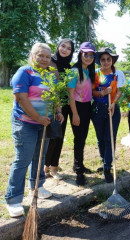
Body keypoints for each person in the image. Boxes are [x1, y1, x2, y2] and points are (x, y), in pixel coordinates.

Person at [5, 43, 64, 217]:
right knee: (23, 159)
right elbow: (21, 99)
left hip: (44, 123)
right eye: (41, 55)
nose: (45, 59)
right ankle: (13, 199)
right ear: (32, 55)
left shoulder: (50, 76)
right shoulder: (24, 72)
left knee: (40, 156)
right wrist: (38, 118)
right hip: (25, 123)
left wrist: (58, 111)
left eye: (47, 56)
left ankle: (37, 186)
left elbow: (56, 96)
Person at [91, 48, 125, 183]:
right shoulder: (95, 74)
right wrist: (103, 93)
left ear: (112, 61)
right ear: (100, 61)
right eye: (103, 59)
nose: (105, 62)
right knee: (100, 138)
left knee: (110, 138)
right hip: (97, 109)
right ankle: (104, 160)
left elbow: (120, 91)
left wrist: (113, 103)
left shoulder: (118, 74)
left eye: (108, 59)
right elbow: (92, 92)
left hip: (112, 109)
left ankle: (107, 167)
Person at [44, 38, 74, 179]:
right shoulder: (49, 62)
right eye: (63, 46)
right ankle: (45, 166)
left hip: (64, 105)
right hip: (50, 104)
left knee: (59, 135)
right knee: (49, 136)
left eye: (69, 48)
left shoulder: (69, 67)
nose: (65, 50)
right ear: (58, 46)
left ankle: (54, 166)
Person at [67, 42, 96, 186]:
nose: (88, 57)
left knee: (83, 137)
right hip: (77, 107)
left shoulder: (89, 71)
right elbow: (70, 94)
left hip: (87, 107)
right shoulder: (74, 71)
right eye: (86, 54)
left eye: (91, 55)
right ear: (80, 54)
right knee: (78, 138)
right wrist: (75, 114)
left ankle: (78, 164)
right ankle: (79, 172)